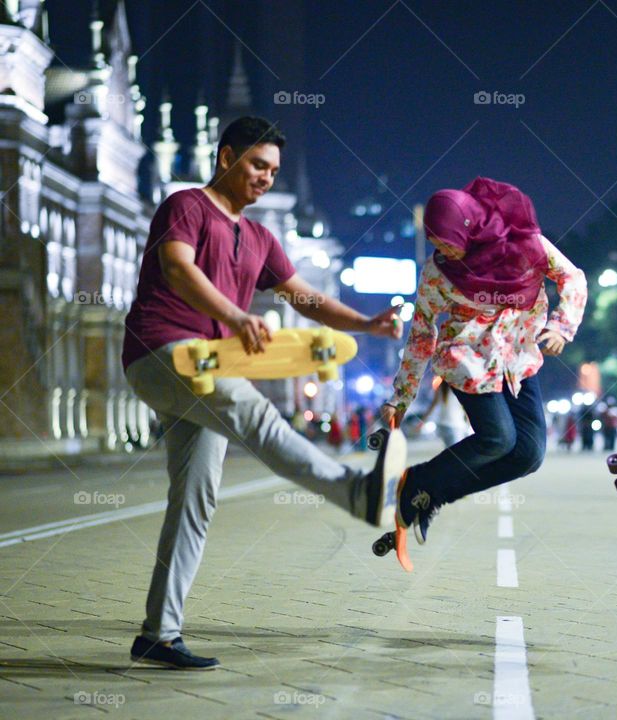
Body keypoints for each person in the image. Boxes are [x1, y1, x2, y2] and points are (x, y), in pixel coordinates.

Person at [122, 117, 406, 669]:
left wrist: (368, 324)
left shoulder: (259, 237)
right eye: (257, 165)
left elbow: (306, 300)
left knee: (195, 499)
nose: (265, 179)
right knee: (254, 412)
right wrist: (234, 313)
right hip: (162, 353)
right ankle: (355, 493)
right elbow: (177, 270)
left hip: (210, 368)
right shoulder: (186, 206)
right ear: (226, 156)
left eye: (273, 171)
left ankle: (158, 633)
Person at [381, 177, 587, 570]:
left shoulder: (526, 245)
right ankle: (418, 482)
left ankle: (431, 494)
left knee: (528, 454)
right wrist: (401, 396)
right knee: (498, 437)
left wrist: (562, 325)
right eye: (435, 242)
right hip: (468, 360)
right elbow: (422, 334)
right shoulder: (438, 273)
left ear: (471, 228)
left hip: (519, 358)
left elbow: (572, 277)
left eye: (448, 241)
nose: (443, 250)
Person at [422, 379, 469, 447]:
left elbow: (433, 405)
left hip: (442, 424)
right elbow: (465, 407)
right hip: (455, 424)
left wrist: (423, 420)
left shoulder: (440, 387)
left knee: (450, 450)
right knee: (457, 452)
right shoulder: (458, 387)